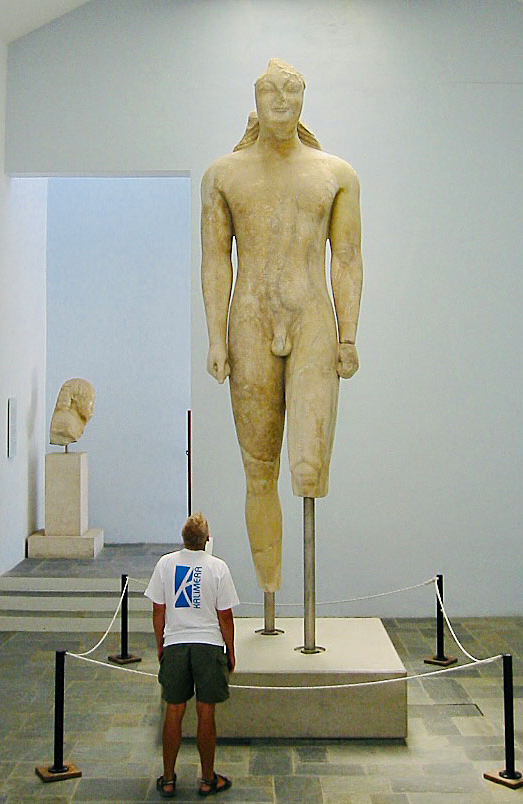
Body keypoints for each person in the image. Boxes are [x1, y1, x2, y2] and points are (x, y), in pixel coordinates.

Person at [201, 59, 363, 592]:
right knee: (259, 470)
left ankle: (299, 607)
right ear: (256, 98)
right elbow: (215, 261)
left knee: (308, 470)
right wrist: (215, 336)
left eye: (291, 91)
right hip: (248, 323)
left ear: (303, 99)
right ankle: (269, 594)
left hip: (312, 318)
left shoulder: (334, 174)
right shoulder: (224, 174)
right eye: (270, 91)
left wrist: (347, 335)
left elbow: (346, 258)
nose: (280, 101)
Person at [145, 513, 239, 798]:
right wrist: (230, 650)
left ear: (183, 538)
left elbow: (158, 611)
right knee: (205, 711)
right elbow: (226, 617)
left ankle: (169, 777)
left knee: (174, 709)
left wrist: (161, 644)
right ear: (207, 540)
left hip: (176, 644)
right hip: (208, 646)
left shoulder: (165, 564)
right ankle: (208, 778)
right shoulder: (218, 568)